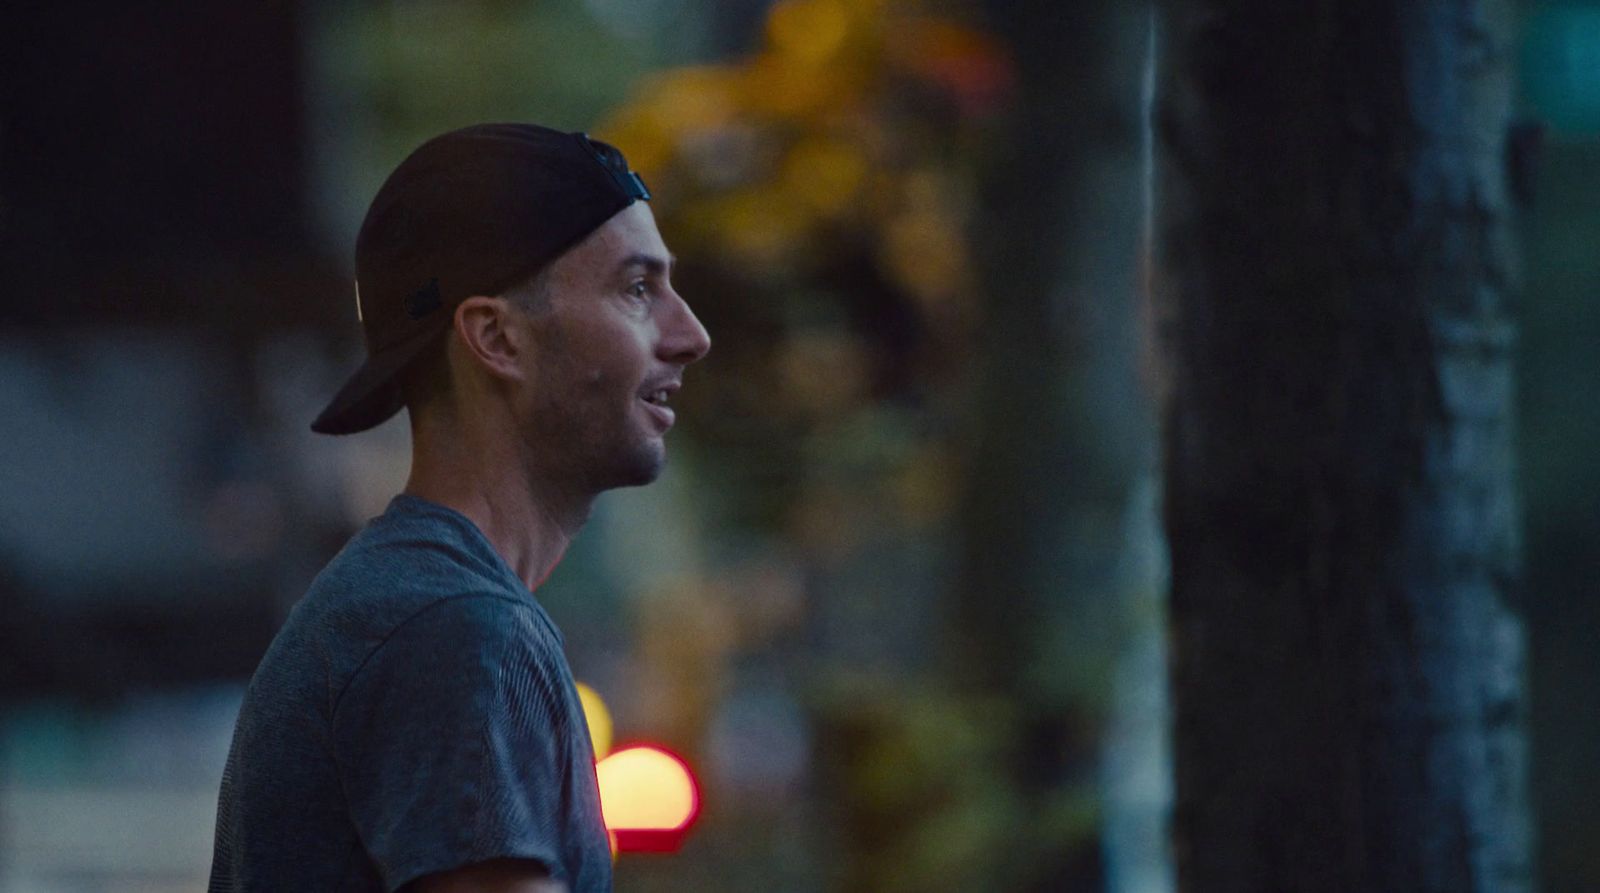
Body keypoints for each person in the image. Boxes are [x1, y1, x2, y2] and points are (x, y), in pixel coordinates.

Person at [208, 123, 711, 893]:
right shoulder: (453, 630)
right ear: (496, 338)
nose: (691, 335)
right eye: (637, 288)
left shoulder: (420, 609)